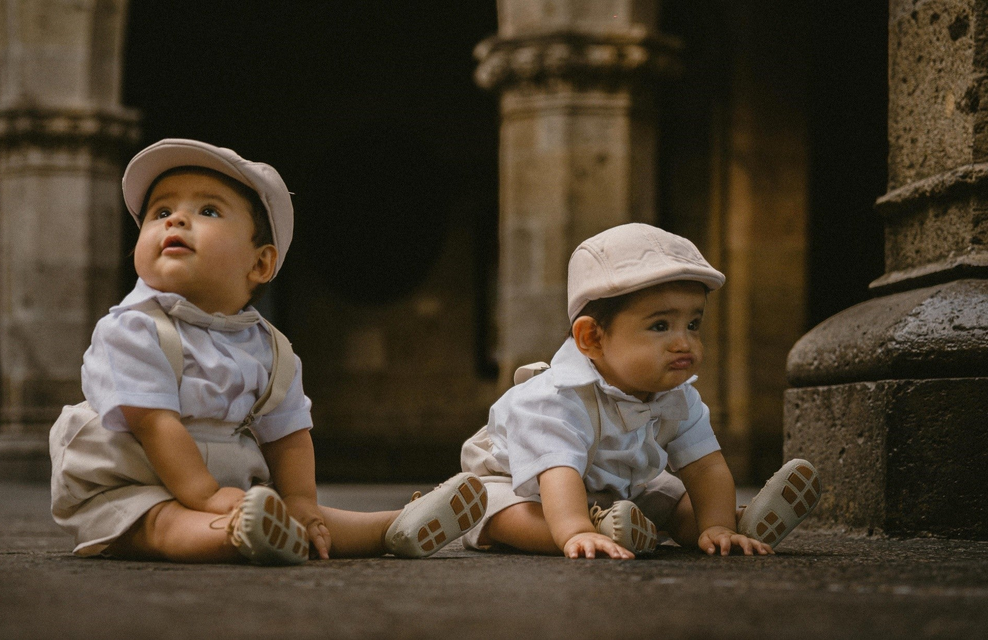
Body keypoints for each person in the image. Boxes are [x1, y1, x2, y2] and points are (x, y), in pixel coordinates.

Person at [49, 139, 486, 565]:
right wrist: (208, 496)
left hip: (228, 488)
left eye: (208, 210)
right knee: (164, 524)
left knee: (309, 520)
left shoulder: (271, 349)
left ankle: (393, 527)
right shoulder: (131, 328)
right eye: (161, 211)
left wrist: (300, 501)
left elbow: (289, 435)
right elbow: (155, 424)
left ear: (259, 264)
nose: (176, 220)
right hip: (128, 485)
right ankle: (239, 537)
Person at [460, 223, 821, 559]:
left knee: (673, 497)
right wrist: (575, 530)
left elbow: (706, 466)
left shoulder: (679, 396)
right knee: (500, 511)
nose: (685, 342)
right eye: (660, 325)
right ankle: (599, 532)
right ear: (592, 338)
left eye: (693, 324)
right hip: (527, 488)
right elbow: (559, 474)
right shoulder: (554, 399)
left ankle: (732, 528)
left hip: (621, 493)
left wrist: (717, 524)